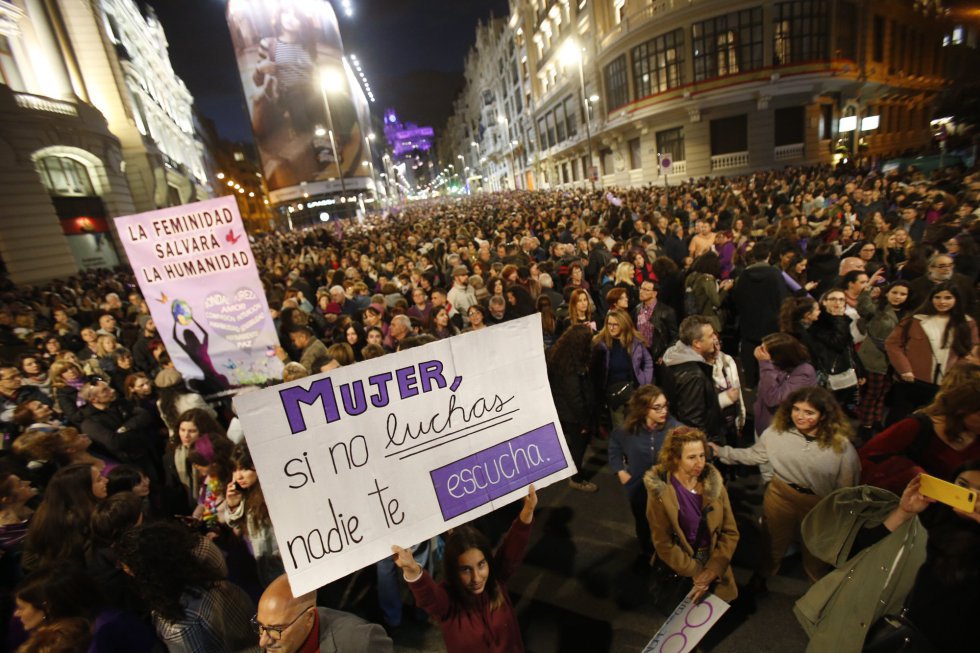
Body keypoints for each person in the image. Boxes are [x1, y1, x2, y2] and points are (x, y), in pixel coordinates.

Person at [795, 466, 980, 653]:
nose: (971, 495)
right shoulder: (924, 516)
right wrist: (903, 512)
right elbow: (853, 551)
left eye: (979, 492)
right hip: (863, 622)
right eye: (963, 485)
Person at [711, 387, 860, 584]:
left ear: (823, 416)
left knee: (816, 552)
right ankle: (764, 579)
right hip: (780, 495)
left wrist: (841, 518)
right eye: (796, 409)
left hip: (819, 504)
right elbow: (754, 455)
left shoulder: (841, 447)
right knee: (772, 543)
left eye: (809, 412)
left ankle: (818, 592)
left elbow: (847, 489)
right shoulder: (775, 434)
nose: (800, 416)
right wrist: (721, 452)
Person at [392, 485, 537, 653]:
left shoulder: (496, 580)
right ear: (453, 570)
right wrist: (411, 570)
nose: (477, 578)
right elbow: (429, 598)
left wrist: (527, 512)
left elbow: (511, 550)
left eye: (481, 565)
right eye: (466, 570)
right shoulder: (447, 603)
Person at [114, 521, 255, 653]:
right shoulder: (201, 558)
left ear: (147, 575)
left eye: (131, 571)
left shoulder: (177, 625)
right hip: (252, 628)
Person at [644, 426, 739, 604]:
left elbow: (730, 532)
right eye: (691, 457)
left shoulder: (714, 481)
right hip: (680, 566)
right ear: (675, 458)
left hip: (711, 559)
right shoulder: (660, 491)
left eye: (702, 455)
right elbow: (662, 542)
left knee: (708, 614)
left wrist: (714, 568)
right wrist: (695, 572)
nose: (700, 463)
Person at [860, 374, 980, 494]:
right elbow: (867, 456)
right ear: (962, 409)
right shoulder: (918, 425)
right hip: (900, 504)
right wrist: (911, 474)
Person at [885, 281, 978, 424]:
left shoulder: (967, 323)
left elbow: (973, 349)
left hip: (946, 384)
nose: (942, 302)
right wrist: (905, 370)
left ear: (956, 300)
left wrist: (956, 372)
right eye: (938, 297)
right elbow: (893, 344)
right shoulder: (916, 319)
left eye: (948, 298)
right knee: (898, 420)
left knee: (931, 423)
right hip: (912, 380)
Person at [609, 385, 679, 554]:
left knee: (668, 525)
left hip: (667, 490)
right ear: (643, 409)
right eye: (657, 407)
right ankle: (648, 555)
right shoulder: (629, 429)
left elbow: (693, 441)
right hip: (639, 490)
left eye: (665, 405)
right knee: (643, 525)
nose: (664, 411)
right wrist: (620, 471)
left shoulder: (674, 427)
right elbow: (615, 445)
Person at [253, 573, 393, 652]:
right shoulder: (271, 644)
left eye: (276, 629)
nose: (263, 641)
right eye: (260, 627)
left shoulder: (360, 642)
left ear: (309, 617)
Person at [23, 463, 107, 571]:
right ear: (80, 490)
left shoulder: (48, 513)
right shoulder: (76, 523)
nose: (106, 480)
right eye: (99, 480)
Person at [223, 442, 284, 587]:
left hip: (282, 567)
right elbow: (234, 523)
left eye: (244, 469)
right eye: (235, 469)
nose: (238, 476)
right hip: (264, 566)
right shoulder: (245, 492)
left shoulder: (272, 492)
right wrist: (233, 504)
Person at [855, 281, 912, 433]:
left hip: (893, 361)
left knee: (883, 393)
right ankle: (866, 424)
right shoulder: (878, 308)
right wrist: (867, 289)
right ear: (886, 293)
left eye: (902, 294)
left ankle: (877, 420)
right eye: (894, 292)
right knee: (873, 393)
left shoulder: (909, 314)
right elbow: (862, 308)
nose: (898, 297)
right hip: (874, 358)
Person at [548, 324, 598, 492]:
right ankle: (577, 479)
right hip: (574, 415)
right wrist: (584, 422)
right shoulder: (572, 367)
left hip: (564, 411)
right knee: (578, 446)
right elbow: (575, 398)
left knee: (573, 445)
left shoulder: (559, 356)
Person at [660, 316, 724, 442]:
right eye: (711, 336)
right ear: (697, 343)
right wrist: (704, 448)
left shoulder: (672, 358)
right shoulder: (693, 375)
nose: (715, 339)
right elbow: (693, 421)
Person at [591, 309, 653, 430]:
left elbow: (648, 361)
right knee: (620, 430)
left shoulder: (635, 342)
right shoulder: (600, 343)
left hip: (634, 392)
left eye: (615, 324)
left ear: (624, 324)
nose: (611, 328)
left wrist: (646, 381)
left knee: (636, 427)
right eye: (609, 324)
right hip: (614, 394)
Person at [753, 332, 817, 436]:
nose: (760, 352)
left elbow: (773, 398)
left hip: (781, 431)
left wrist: (765, 364)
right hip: (764, 424)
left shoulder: (803, 372)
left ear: (779, 355)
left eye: (763, 350)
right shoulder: (775, 365)